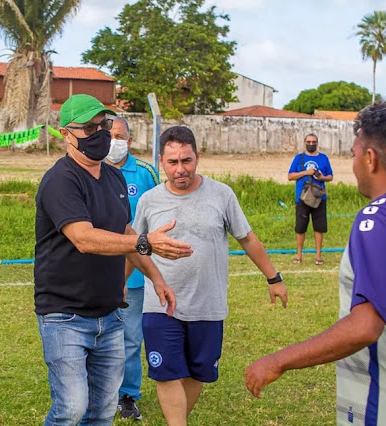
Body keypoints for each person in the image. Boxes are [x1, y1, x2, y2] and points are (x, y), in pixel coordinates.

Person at [34, 94, 193, 426]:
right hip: (65, 315)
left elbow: (124, 232)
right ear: (65, 133)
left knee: (103, 412)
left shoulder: (113, 177)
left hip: (109, 314)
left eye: (104, 125)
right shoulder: (60, 180)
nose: (100, 133)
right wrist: (145, 240)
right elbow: (84, 237)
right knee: (71, 409)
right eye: (89, 128)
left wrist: (157, 278)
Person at [132, 126, 288, 425]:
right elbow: (135, 246)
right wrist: (121, 285)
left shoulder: (221, 194)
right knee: (166, 372)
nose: (181, 169)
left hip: (208, 304)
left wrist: (274, 278)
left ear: (197, 158)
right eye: (173, 162)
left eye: (186, 161)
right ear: (161, 162)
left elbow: (248, 239)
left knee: (197, 372)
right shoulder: (149, 201)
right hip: (161, 303)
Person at [246, 103, 386, 425]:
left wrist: (279, 359)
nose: (353, 164)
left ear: (370, 158)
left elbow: (366, 325)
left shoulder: (375, 220)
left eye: (353, 155)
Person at [104, 116, 159, 420]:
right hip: (98, 270)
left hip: (134, 274)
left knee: (129, 337)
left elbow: (159, 216)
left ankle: (128, 395)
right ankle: (100, 391)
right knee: (95, 334)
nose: (115, 141)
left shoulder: (145, 173)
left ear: (130, 139)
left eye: (120, 136)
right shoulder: (92, 171)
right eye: (111, 135)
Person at [287, 133, 334, 265]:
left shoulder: (324, 158)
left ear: (317, 143)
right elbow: (290, 176)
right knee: (300, 227)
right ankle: (299, 255)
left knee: (319, 227)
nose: (311, 144)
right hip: (302, 198)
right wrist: (305, 173)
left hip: (319, 198)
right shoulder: (299, 158)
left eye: (314, 142)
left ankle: (318, 256)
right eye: (309, 142)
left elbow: (330, 176)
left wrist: (322, 177)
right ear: (304, 143)